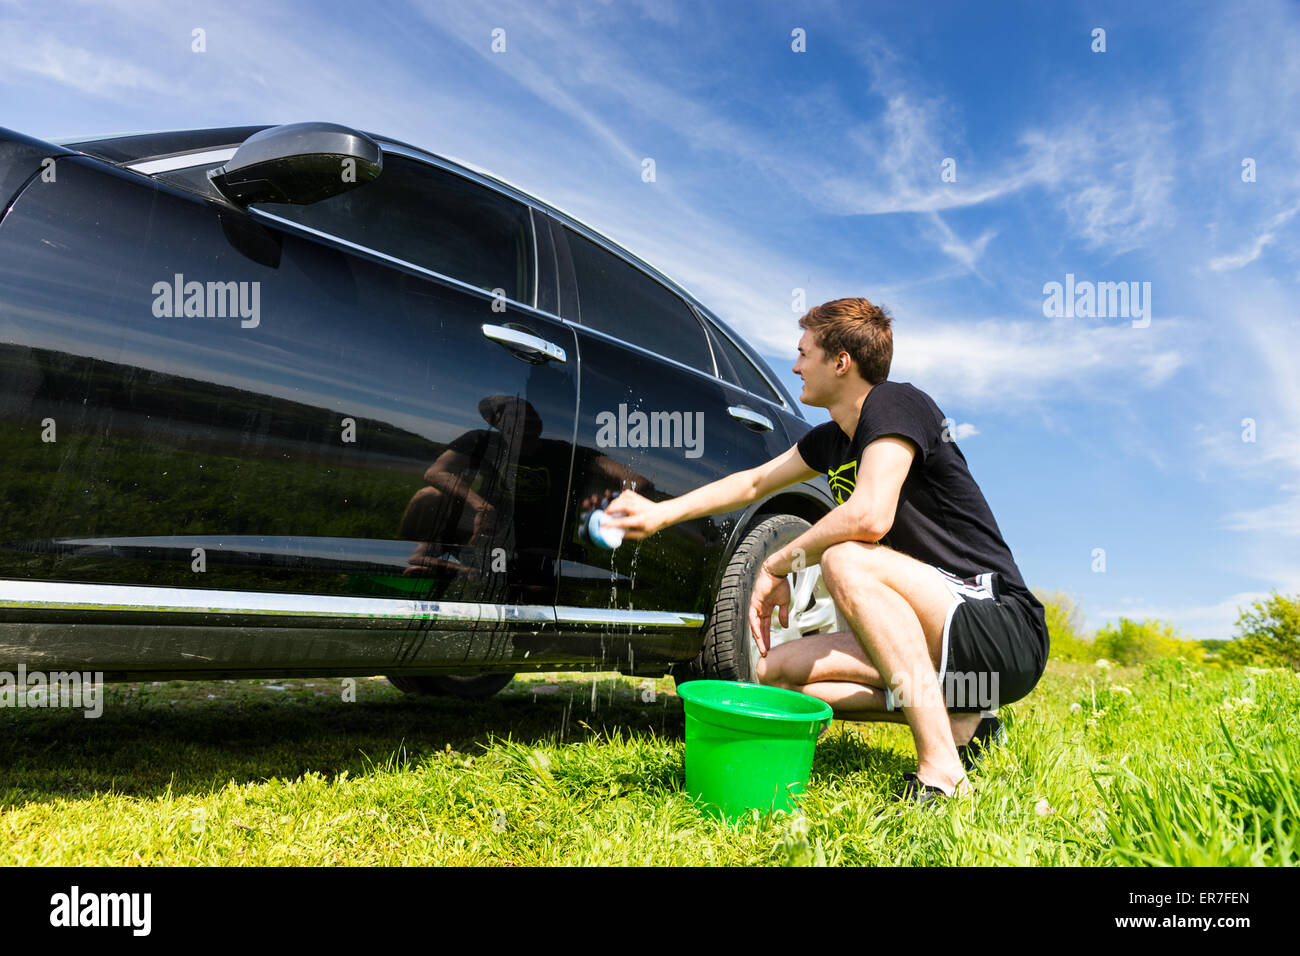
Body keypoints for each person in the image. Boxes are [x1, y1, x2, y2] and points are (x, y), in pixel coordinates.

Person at [602, 297, 1049, 805]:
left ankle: (942, 772)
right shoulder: (832, 440)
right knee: (777, 679)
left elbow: (870, 515)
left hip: (997, 625)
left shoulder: (896, 403)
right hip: (945, 642)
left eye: (803, 353)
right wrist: (661, 513)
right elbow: (753, 483)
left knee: (845, 556)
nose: (794, 366)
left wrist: (776, 563)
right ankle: (964, 714)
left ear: (841, 361)